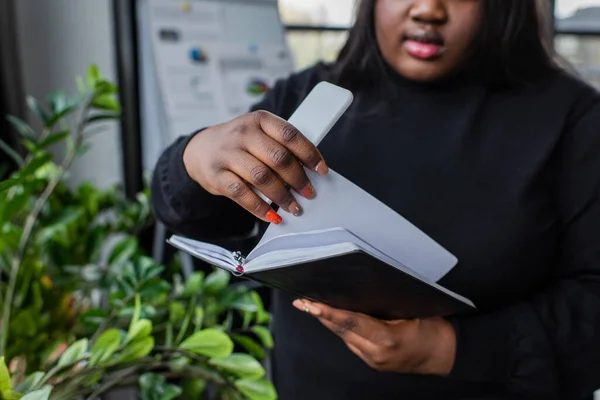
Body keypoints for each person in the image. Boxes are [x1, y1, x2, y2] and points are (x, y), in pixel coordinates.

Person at [150, 0, 600, 398]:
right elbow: (187, 215)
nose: (428, 9)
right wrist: (194, 157)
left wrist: (448, 350)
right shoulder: (306, 99)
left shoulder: (572, 119)